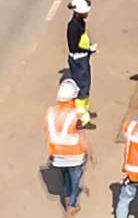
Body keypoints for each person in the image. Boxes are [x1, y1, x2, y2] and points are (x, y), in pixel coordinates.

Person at [45, 80, 93, 215]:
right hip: (75, 156)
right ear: (73, 97)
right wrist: (90, 152)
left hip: (57, 155)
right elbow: (81, 136)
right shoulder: (74, 115)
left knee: (66, 181)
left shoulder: (50, 113)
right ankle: (70, 207)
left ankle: (68, 204)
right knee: (75, 183)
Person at [63, 0, 96, 125]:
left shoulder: (80, 22)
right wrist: (88, 50)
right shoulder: (73, 27)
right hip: (79, 60)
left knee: (86, 86)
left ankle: (85, 111)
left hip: (82, 57)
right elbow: (74, 46)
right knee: (82, 88)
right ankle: (82, 119)